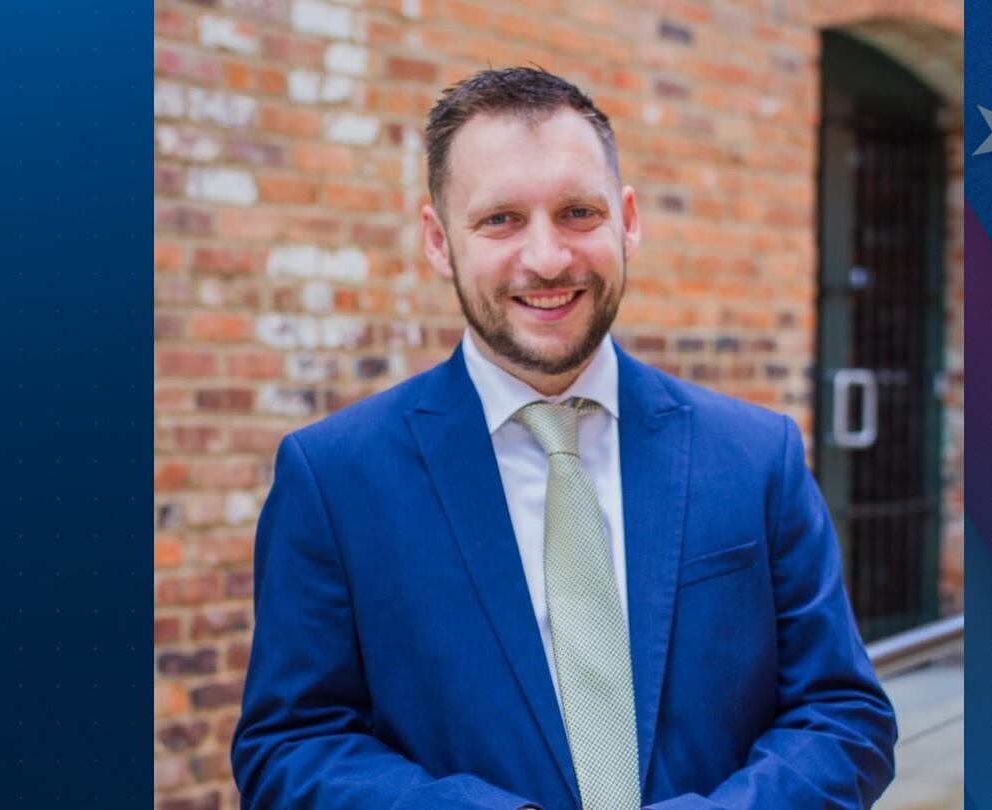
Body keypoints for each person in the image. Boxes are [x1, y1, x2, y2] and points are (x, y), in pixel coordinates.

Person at [231, 66, 897, 810]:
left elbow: (844, 715)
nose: (548, 259)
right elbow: (292, 747)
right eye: (500, 220)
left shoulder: (756, 455)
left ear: (628, 221)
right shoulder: (334, 478)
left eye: (579, 212)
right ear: (439, 241)